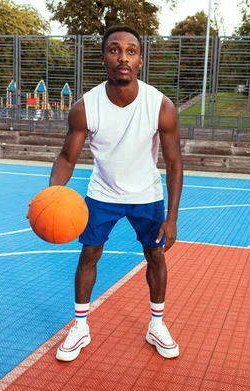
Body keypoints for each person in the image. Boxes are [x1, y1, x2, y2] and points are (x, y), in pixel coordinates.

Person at [49, 26, 183, 361]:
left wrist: (172, 217)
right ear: (103, 58)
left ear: (140, 59)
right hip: (103, 193)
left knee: (155, 256)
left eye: (131, 51)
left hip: (147, 196)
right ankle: (80, 327)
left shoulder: (160, 106)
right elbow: (67, 158)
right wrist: (50, 198)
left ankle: (156, 324)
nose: (122, 57)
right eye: (114, 50)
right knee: (89, 255)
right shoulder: (85, 107)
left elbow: (174, 162)